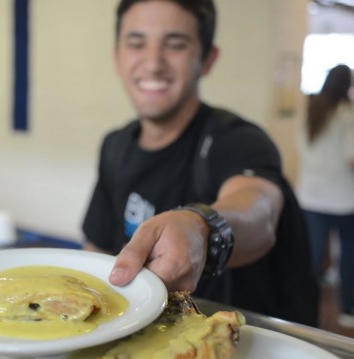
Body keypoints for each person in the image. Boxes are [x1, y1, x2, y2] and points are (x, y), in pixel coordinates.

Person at [83, 0, 317, 325]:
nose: (153, 63)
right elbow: (97, 247)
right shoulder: (115, 145)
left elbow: (259, 210)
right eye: (136, 44)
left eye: (175, 44)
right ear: (117, 58)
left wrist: (201, 226)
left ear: (206, 60)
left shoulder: (237, 140)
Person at [297, 64, 354, 327]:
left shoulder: (311, 111)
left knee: (312, 257)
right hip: (344, 199)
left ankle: (305, 310)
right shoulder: (348, 113)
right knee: (349, 256)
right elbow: (351, 158)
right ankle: (347, 312)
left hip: (310, 196)